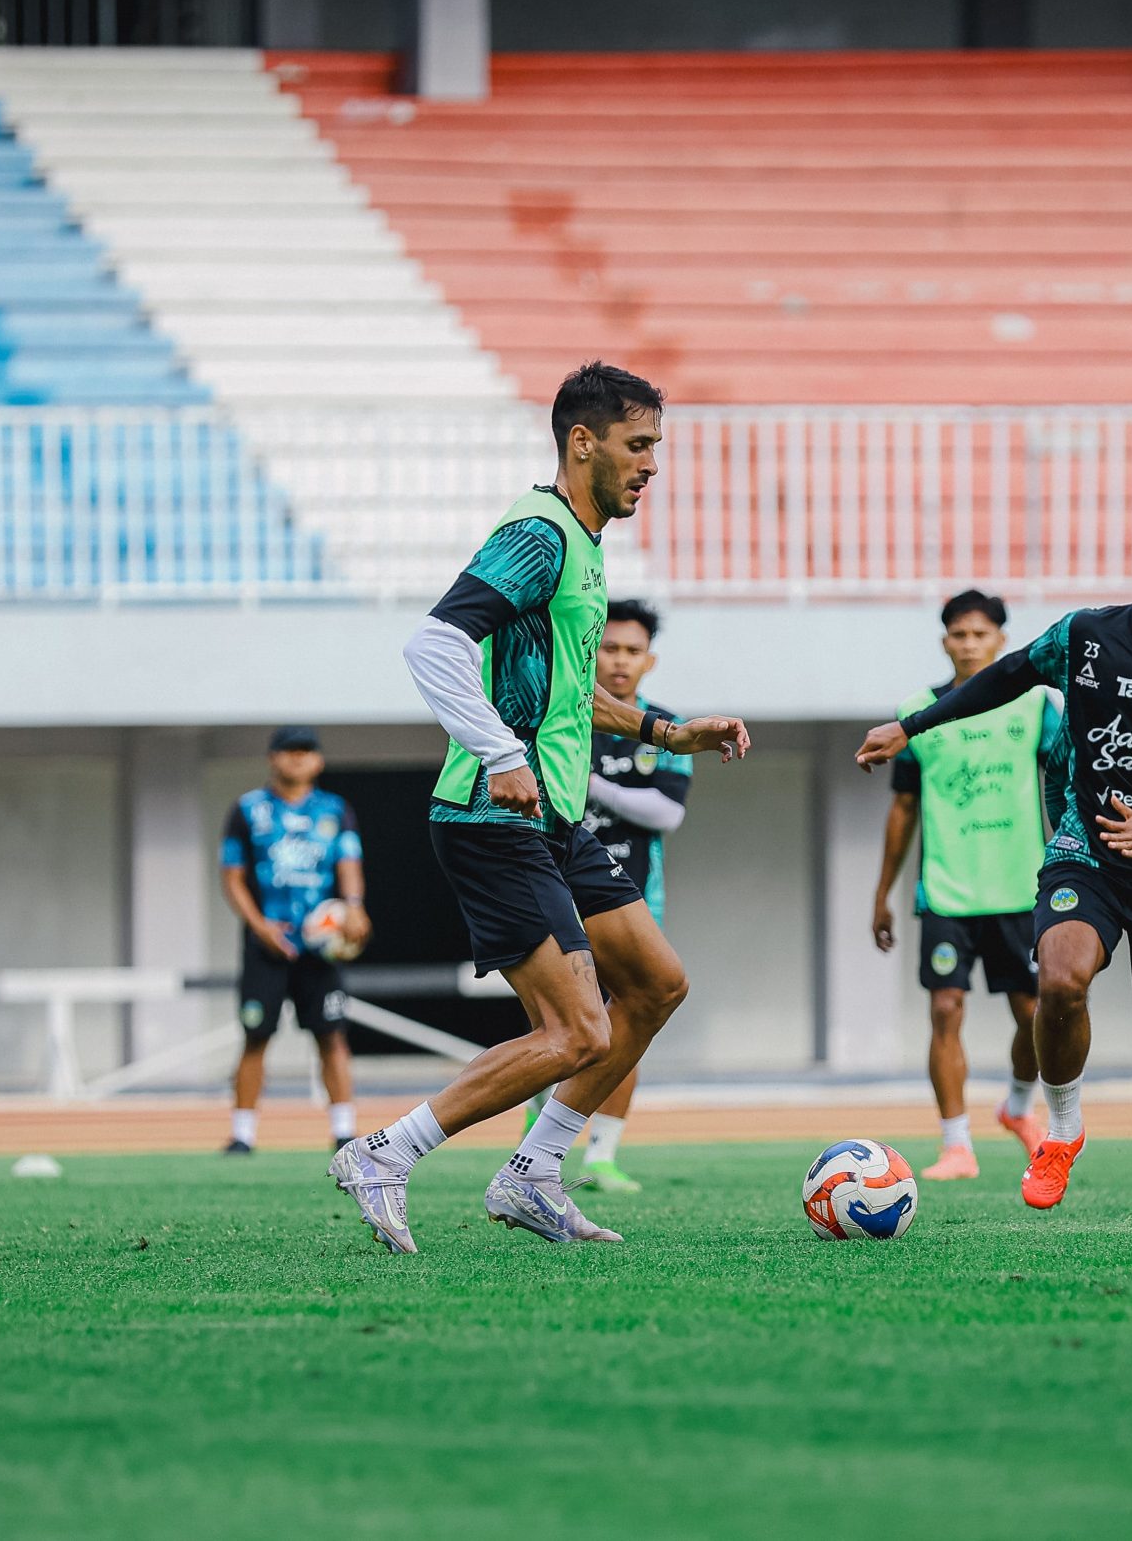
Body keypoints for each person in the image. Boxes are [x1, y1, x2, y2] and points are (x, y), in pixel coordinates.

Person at [330, 362, 752, 1254]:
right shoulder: (538, 533)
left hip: (554, 823)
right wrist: (499, 752)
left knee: (657, 984)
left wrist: (669, 734)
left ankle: (533, 1173)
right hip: (492, 818)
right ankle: (382, 1152)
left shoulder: (586, 548)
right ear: (582, 441)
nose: (652, 466)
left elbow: (574, 694)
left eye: (658, 448)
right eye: (640, 446)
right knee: (575, 1031)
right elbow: (433, 643)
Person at [857, 478, 1132, 1219]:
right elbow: (1005, 677)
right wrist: (911, 726)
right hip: (1086, 851)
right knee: (1061, 977)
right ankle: (1063, 1128)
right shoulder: (1085, 637)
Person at [872, 589, 1064, 1180]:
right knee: (946, 1010)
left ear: (1001, 641)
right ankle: (957, 1144)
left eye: (981, 634)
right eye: (959, 634)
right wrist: (882, 894)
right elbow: (903, 809)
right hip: (948, 892)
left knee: (1038, 1015)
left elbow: (1065, 784)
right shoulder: (916, 712)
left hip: (1021, 889)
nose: (970, 644)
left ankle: (1015, 1107)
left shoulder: (1035, 704)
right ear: (945, 641)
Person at [565, 598, 694, 1193]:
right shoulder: (563, 716)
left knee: (629, 1021)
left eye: (632, 651)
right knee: (560, 1025)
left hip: (634, 899)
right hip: (557, 893)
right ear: (592, 649)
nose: (619, 661)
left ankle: (602, 1157)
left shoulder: (665, 727)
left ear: (651, 660)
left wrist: (589, 785)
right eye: (610, 647)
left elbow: (666, 813)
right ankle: (535, 1143)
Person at [220, 726, 372, 1156]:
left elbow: (349, 862)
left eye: (306, 751)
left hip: (320, 945)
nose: (297, 759)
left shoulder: (334, 809)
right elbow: (231, 877)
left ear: (319, 760)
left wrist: (354, 906)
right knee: (255, 1035)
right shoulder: (248, 810)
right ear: (272, 758)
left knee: (332, 1035)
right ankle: (242, 1135)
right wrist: (259, 925)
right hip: (266, 943)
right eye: (289, 751)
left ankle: (344, 1132)